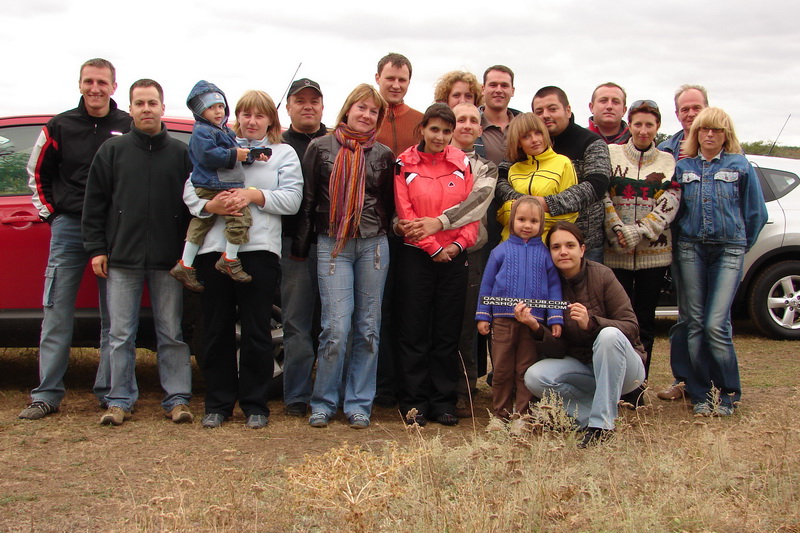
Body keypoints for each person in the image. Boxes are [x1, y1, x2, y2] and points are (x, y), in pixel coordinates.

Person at [20, 58, 131, 420]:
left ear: (113, 87)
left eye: (102, 82)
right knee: (57, 311)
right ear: (80, 84)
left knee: (114, 317)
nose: (95, 88)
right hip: (69, 227)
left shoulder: (127, 126)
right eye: (89, 81)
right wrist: (52, 215)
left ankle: (109, 391)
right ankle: (46, 394)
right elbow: (36, 173)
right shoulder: (60, 125)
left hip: (112, 231)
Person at [186, 90, 302, 429]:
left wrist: (253, 195)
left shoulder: (283, 153)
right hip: (213, 250)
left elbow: (292, 199)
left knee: (256, 330)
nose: (252, 121)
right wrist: (209, 206)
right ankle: (218, 404)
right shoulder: (218, 145)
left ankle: (255, 405)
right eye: (245, 114)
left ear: (271, 120)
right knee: (216, 329)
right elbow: (190, 188)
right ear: (235, 117)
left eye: (259, 115)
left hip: (259, 252)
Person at [82, 79, 193, 426]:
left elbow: (193, 209)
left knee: (171, 333)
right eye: (140, 103)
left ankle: (177, 399)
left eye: (152, 103)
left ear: (163, 108)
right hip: (121, 259)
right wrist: (97, 249)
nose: (146, 109)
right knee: (120, 335)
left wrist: (187, 255)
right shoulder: (112, 151)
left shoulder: (181, 154)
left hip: (169, 261)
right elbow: (94, 204)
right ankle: (119, 400)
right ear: (130, 109)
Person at [292, 84, 394, 430]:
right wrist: (300, 248)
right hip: (332, 243)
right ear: (348, 109)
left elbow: (388, 204)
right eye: (361, 107)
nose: (366, 115)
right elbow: (308, 200)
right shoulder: (320, 148)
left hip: (373, 244)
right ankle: (323, 401)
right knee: (335, 327)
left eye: (373, 111)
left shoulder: (383, 154)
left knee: (368, 328)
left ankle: (359, 402)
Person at [401, 102, 498, 417]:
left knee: (447, 333)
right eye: (434, 129)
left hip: (455, 256)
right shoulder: (404, 162)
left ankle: (443, 402)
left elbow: (473, 212)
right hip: (418, 255)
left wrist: (456, 245)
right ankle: (415, 402)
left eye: (446, 130)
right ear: (423, 129)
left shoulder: (463, 164)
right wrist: (433, 247)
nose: (440, 136)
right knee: (416, 331)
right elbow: (406, 213)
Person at [672, 108, 767, 417]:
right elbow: (675, 212)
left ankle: (728, 393)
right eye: (704, 129)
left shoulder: (740, 166)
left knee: (716, 324)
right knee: (695, 324)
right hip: (691, 250)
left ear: (727, 135)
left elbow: (756, 213)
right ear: (696, 133)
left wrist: (740, 244)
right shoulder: (683, 167)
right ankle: (700, 395)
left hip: (728, 251)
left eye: (717, 130)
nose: (710, 135)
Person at [520, 221, 646, 448]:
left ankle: (602, 426)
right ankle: (594, 416)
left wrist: (592, 323)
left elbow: (631, 327)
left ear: (582, 249)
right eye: (556, 247)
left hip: (625, 370)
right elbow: (557, 351)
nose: (563, 252)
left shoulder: (603, 275)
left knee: (609, 335)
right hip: (582, 367)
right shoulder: (546, 285)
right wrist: (535, 327)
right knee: (535, 377)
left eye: (570, 245)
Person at [603, 100, 679, 400]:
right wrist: (617, 228)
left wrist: (640, 230)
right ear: (630, 124)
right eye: (638, 124)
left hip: (653, 257)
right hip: (616, 254)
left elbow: (671, 201)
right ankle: (616, 384)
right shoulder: (612, 153)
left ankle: (637, 388)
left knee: (645, 322)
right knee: (619, 321)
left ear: (657, 127)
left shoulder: (668, 161)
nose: (643, 130)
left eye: (649, 125)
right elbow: (603, 195)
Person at [476, 196, 563, 418]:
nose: (527, 225)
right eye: (522, 219)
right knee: (502, 370)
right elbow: (487, 285)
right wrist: (483, 315)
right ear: (512, 220)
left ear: (541, 224)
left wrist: (555, 317)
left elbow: (554, 288)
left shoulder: (546, 255)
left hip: (532, 323)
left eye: (534, 221)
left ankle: (523, 416)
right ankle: (500, 415)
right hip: (502, 320)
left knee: (526, 370)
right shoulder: (499, 251)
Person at [170, 81, 253, 290]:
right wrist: (234, 155)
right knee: (240, 216)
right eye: (211, 107)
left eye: (221, 106)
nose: (218, 111)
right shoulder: (202, 132)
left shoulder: (224, 131)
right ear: (200, 111)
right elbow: (208, 155)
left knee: (201, 224)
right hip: (214, 184)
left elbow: (238, 152)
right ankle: (229, 259)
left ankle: (185, 265)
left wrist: (251, 156)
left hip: (217, 184)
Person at [655, 84, 709, 401]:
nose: (690, 113)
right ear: (677, 114)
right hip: (681, 242)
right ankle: (685, 380)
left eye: (696, 107)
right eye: (684, 109)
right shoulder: (667, 148)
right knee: (686, 315)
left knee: (717, 320)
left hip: (718, 244)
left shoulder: (727, 147)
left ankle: (714, 383)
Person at [280, 78, 328, 418]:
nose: (307, 106)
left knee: (334, 324)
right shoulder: (277, 145)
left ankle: (329, 392)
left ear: (323, 107)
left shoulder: (336, 144)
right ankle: (297, 394)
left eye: (314, 100)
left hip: (332, 245)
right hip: (292, 245)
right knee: (296, 322)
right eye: (300, 101)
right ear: (288, 107)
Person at [520, 86, 611, 263]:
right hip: (535, 244)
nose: (545, 115)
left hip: (584, 246)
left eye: (552, 109)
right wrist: (523, 202)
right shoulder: (528, 144)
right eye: (539, 111)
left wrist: (547, 204)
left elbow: (596, 185)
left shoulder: (591, 142)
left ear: (568, 110)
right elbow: (502, 177)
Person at [496, 113, 578, 241]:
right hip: (509, 245)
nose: (534, 139)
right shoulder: (514, 169)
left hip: (545, 246)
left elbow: (570, 215)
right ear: (518, 142)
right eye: (526, 136)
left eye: (538, 133)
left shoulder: (563, 163)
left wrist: (522, 216)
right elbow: (501, 215)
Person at [375, 53, 423, 155]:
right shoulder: (365, 119)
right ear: (377, 78)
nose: (396, 86)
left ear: (409, 82)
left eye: (402, 80)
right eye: (390, 78)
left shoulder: (422, 121)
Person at [479, 65, 520, 165]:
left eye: (504, 85)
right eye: (493, 85)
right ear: (483, 89)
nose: (498, 90)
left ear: (512, 91)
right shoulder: (468, 124)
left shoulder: (523, 126)